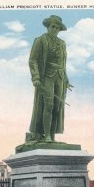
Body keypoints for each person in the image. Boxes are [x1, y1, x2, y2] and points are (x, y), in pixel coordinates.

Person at [28, 15, 73, 143]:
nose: (55, 29)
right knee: (48, 105)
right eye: (53, 27)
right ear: (48, 27)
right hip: (46, 76)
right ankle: (46, 135)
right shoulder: (40, 40)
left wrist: (67, 80)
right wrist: (36, 77)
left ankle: (52, 136)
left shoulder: (62, 43)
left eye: (57, 28)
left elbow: (63, 64)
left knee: (57, 107)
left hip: (60, 77)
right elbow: (33, 60)